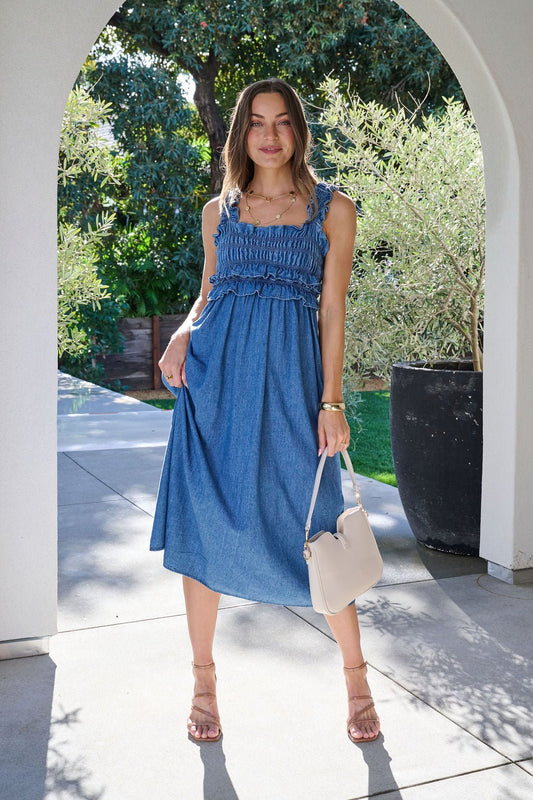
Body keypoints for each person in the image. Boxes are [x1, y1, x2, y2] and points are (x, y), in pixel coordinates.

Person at [150, 78, 380, 745]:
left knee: (313, 524)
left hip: (290, 386)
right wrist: (181, 332)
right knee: (202, 525)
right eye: (256, 123)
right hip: (214, 386)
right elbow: (207, 294)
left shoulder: (332, 209)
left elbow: (331, 309)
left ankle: (357, 678)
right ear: (240, 135)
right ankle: (202, 681)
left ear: (298, 132)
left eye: (282, 122)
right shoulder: (217, 210)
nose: (270, 135)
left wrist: (330, 400)